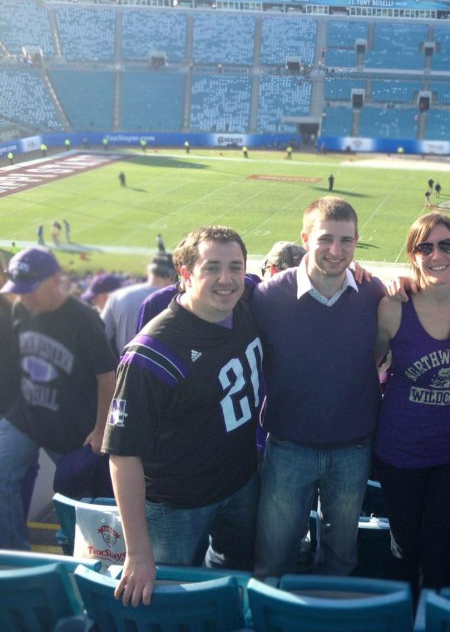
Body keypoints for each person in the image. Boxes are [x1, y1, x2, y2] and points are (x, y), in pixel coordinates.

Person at [103, 226, 262, 607]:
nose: (227, 279)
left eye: (235, 267)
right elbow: (123, 454)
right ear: (185, 273)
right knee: (173, 600)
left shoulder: (246, 304)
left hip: (241, 483)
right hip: (177, 505)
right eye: (212, 268)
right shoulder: (151, 354)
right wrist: (137, 553)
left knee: (231, 584)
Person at [253, 197, 386, 578]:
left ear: (357, 241)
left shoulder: (373, 293)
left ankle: (328, 608)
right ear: (305, 238)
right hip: (288, 446)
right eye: (325, 239)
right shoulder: (268, 296)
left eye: (346, 241)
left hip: (352, 448)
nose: (336, 251)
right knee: (274, 555)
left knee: (340, 556)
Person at [374, 213, 450, 594]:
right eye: (424, 247)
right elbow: (371, 364)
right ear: (413, 255)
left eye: (446, 245)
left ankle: (432, 615)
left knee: (441, 550)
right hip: (401, 451)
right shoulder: (393, 306)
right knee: (404, 548)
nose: (436, 255)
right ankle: (404, 613)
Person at [0, 247, 116, 549]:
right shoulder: (21, 309)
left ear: (55, 280)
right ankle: (14, 556)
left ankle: (82, 558)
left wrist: (101, 429)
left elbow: (108, 376)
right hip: (26, 416)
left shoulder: (84, 320)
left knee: (78, 502)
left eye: (31, 289)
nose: (24, 296)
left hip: (71, 427)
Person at [101, 253, 177, 354]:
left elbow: (102, 335)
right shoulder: (177, 300)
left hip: (124, 360)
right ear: (173, 276)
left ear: (149, 271)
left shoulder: (118, 296)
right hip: (163, 362)